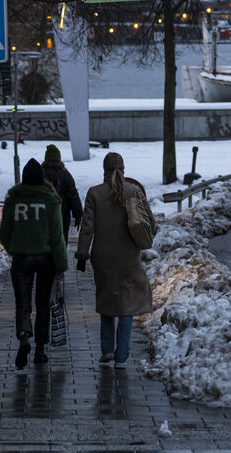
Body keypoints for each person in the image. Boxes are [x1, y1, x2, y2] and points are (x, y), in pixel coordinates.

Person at [75, 151, 154, 368]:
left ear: (104, 170)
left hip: (102, 256)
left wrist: (83, 253)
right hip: (129, 255)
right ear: (123, 169)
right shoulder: (134, 191)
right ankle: (122, 356)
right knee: (127, 305)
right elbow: (149, 221)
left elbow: (87, 228)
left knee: (107, 298)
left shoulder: (94, 193)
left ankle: (107, 349)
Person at [0, 158, 68, 369]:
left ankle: (24, 336)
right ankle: (40, 350)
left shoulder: (13, 199)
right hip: (46, 259)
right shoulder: (50, 199)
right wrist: (61, 264)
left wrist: (13, 248)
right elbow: (57, 236)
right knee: (43, 304)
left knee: (23, 305)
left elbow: (4, 232)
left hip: (21, 259)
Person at [41, 144, 83, 243]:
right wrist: (78, 214)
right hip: (62, 214)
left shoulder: (39, 173)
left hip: (42, 213)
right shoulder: (65, 175)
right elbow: (73, 196)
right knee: (61, 240)